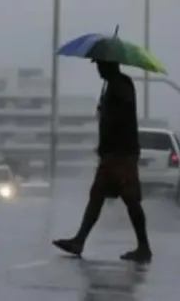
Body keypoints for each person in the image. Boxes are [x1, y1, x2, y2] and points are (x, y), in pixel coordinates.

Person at [52, 60, 152, 263]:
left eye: (100, 65)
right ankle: (79, 240)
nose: (98, 69)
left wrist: (107, 109)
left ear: (110, 66)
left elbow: (121, 114)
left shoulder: (121, 85)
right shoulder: (112, 87)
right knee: (97, 196)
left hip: (122, 154)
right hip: (111, 154)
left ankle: (144, 247)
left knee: (131, 200)